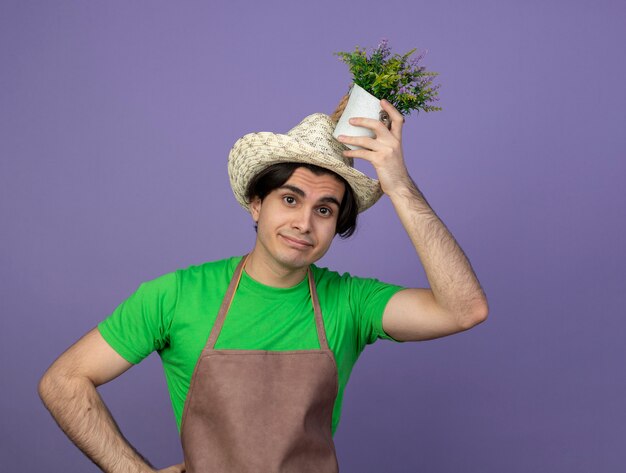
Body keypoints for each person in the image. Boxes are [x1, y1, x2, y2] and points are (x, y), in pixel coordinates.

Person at [38, 99, 488, 473]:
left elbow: (463, 308)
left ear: (337, 225)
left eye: (325, 209)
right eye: (290, 199)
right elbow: (63, 381)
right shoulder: (176, 296)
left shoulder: (352, 303)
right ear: (257, 204)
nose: (303, 223)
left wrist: (400, 186)